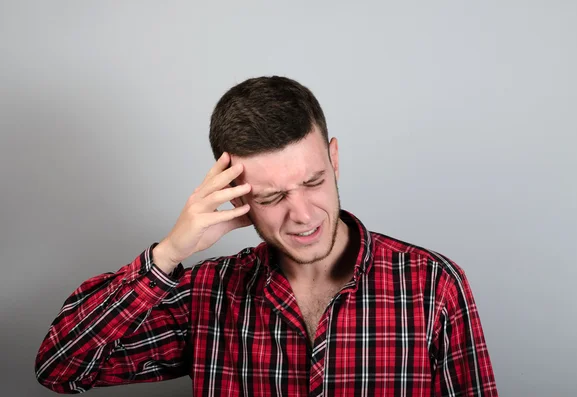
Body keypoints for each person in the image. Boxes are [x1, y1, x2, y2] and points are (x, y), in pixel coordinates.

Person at [35, 76, 498, 396]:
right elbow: (61, 368)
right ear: (236, 195)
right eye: (273, 197)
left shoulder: (433, 285)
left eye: (314, 182)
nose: (302, 215)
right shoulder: (208, 295)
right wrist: (169, 253)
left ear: (334, 160)